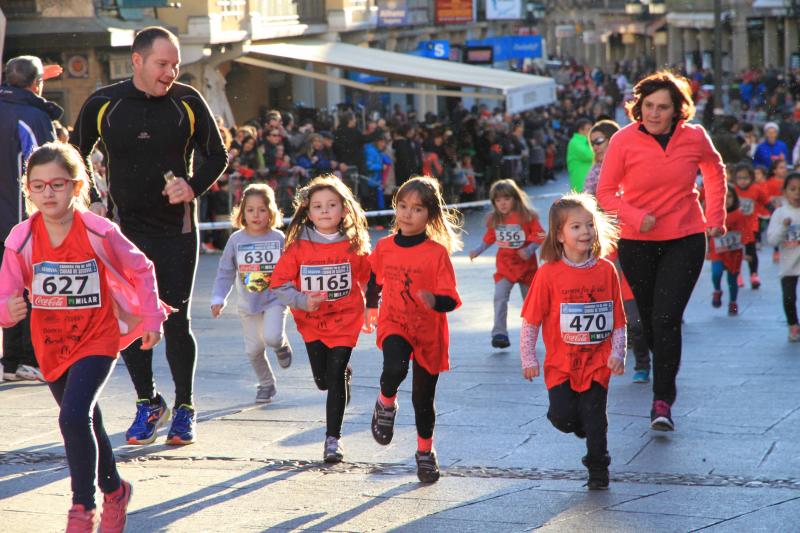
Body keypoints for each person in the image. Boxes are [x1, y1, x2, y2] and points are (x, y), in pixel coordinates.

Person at [70, 26, 228, 445]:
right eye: (162, 64)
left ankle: (185, 407)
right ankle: (148, 402)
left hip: (176, 230)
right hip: (124, 232)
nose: (171, 73)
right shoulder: (104, 102)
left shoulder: (187, 101)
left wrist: (192, 186)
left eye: (175, 64)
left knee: (175, 320)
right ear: (137, 61)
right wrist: (93, 198)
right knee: (129, 319)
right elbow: (74, 153)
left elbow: (218, 155)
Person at [0, 143, 170, 530]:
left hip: (97, 337)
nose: (48, 193)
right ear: (28, 190)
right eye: (38, 186)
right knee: (85, 419)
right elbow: (6, 291)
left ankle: (82, 508)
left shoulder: (98, 230)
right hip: (51, 343)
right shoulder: (21, 238)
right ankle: (116, 491)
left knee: (73, 416)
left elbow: (142, 268)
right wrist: (7, 310)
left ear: (77, 187)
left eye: (57, 184)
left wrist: (151, 318)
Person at [596, 71, 726, 432]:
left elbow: (714, 170)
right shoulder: (623, 140)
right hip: (637, 241)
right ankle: (662, 363)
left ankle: (662, 400)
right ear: (639, 107)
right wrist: (637, 216)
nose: (654, 113)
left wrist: (716, 216)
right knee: (651, 322)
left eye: (663, 107)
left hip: (685, 236)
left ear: (677, 110)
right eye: (649, 106)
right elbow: (605, 194)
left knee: (667, 318)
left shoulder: (694, 137)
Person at [519, 193, 625, 490]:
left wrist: (618, 353)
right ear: (559, 235)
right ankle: (580, 425)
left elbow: (618, 319)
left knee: (596, 418)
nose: (585, 232)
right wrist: (528, 358)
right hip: (561, 365)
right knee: (563, 418)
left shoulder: (606, 270)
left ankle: (598, 468)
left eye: (589, 224)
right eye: (576, 226)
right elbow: (530, 321)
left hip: (597, 362)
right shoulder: (548, 274)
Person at [364, 176, 462, 484]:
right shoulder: (385, 246)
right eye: (403, 206)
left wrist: (434, 300)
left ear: (429, 215)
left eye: (417, 209)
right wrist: (371, 307)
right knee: (394, 368)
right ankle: (386, 402)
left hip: (428, 331)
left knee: (423, 398)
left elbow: (451, 299)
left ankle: (425, 451)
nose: (408, 214)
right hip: (395, 321)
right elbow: (374, 276)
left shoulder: (436, 253)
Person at [270, 175, 371, 463]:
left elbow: (369, 278)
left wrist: (373, 308)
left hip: (346, 319)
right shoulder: (298, 246)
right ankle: (340, 376)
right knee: (323, 380)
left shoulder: (354, 243)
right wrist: (303, 301)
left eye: (331, 205)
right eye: (317, 206)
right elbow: (278, 283)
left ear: (344, 209)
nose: (325, 210)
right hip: (312, 321)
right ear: (308, 212)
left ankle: (332, 440)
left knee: (335, 374)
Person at [0, 55, 63, 382]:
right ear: (37, 84)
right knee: (30, 289)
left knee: (7, 289)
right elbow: (46, 169)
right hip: (22, 220)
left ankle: (10, 361)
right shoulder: (33, 116)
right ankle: (27, 358)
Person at [210, 184, 293, 404]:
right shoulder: (236, 240)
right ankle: (266, 384)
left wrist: (297, 293)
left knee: (272, 337)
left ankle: (281, 345)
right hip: (248, 304)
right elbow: (225, 271)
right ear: (242, 213)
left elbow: (292, 267)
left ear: (271, 212)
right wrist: (218, 298)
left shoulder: (278, 238)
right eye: (250, 210)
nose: (256, 215)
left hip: (275, 299)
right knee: (254, 349)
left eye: (262, 210)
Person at [468, 180, 544, 349]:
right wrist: (478, 250)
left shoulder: (528, 216)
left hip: (527, 268)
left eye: (507, 199)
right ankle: (499, 333)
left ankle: (531, 334)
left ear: (516, 199)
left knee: (530, 304)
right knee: (499, 298)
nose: (502, 203)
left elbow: (540, 235)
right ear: (493, 202)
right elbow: (489, 238)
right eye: (498, 200)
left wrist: (529, 249)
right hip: (505, 267)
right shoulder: (495, 219)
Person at [708, 184, 751, 316]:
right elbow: (706, 232)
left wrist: (748, 251)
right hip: (717, 251)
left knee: (732, 279)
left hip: (734, 252)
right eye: (723, 197)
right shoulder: (713, 214)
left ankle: (733, 303)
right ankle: (717, 290)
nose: (726, 200)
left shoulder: (739, 215)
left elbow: (747, 233)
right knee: (716, 273)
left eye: (730, 196)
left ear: (735, 198)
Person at [767, 173, 800, 342]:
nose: (797, 193)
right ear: (785, 192)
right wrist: (783, 227)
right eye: (793, 189)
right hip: (788, 265)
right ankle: (793, 325)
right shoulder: (780, 214)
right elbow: (772, 240)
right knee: (789, 298)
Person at [732, 162, 769, 289]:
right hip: (735, 227)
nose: (742, 181)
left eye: (746, 178)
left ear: (751, 178)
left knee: (751, 251)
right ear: (735, 178)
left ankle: (754, 275)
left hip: (750, 226)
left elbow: (766, 202)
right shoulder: (732, 189)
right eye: (739, 178)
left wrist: (775, 211)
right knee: (735, 253)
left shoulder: (756, 189)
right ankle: (737, 274)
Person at [583, 120, 620, 196]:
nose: (595, 147)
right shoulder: (595, 171)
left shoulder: (631, 164)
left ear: (612, 139)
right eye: (592, 143)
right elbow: (587, 196)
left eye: (599, 141)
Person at [566, 118, 594, 192]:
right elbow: (590, 155)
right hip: (581, 183)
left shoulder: (585, 141)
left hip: (587, 182)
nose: (591, 131)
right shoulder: (575, 142)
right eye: (589, 129)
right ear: (580, 130)